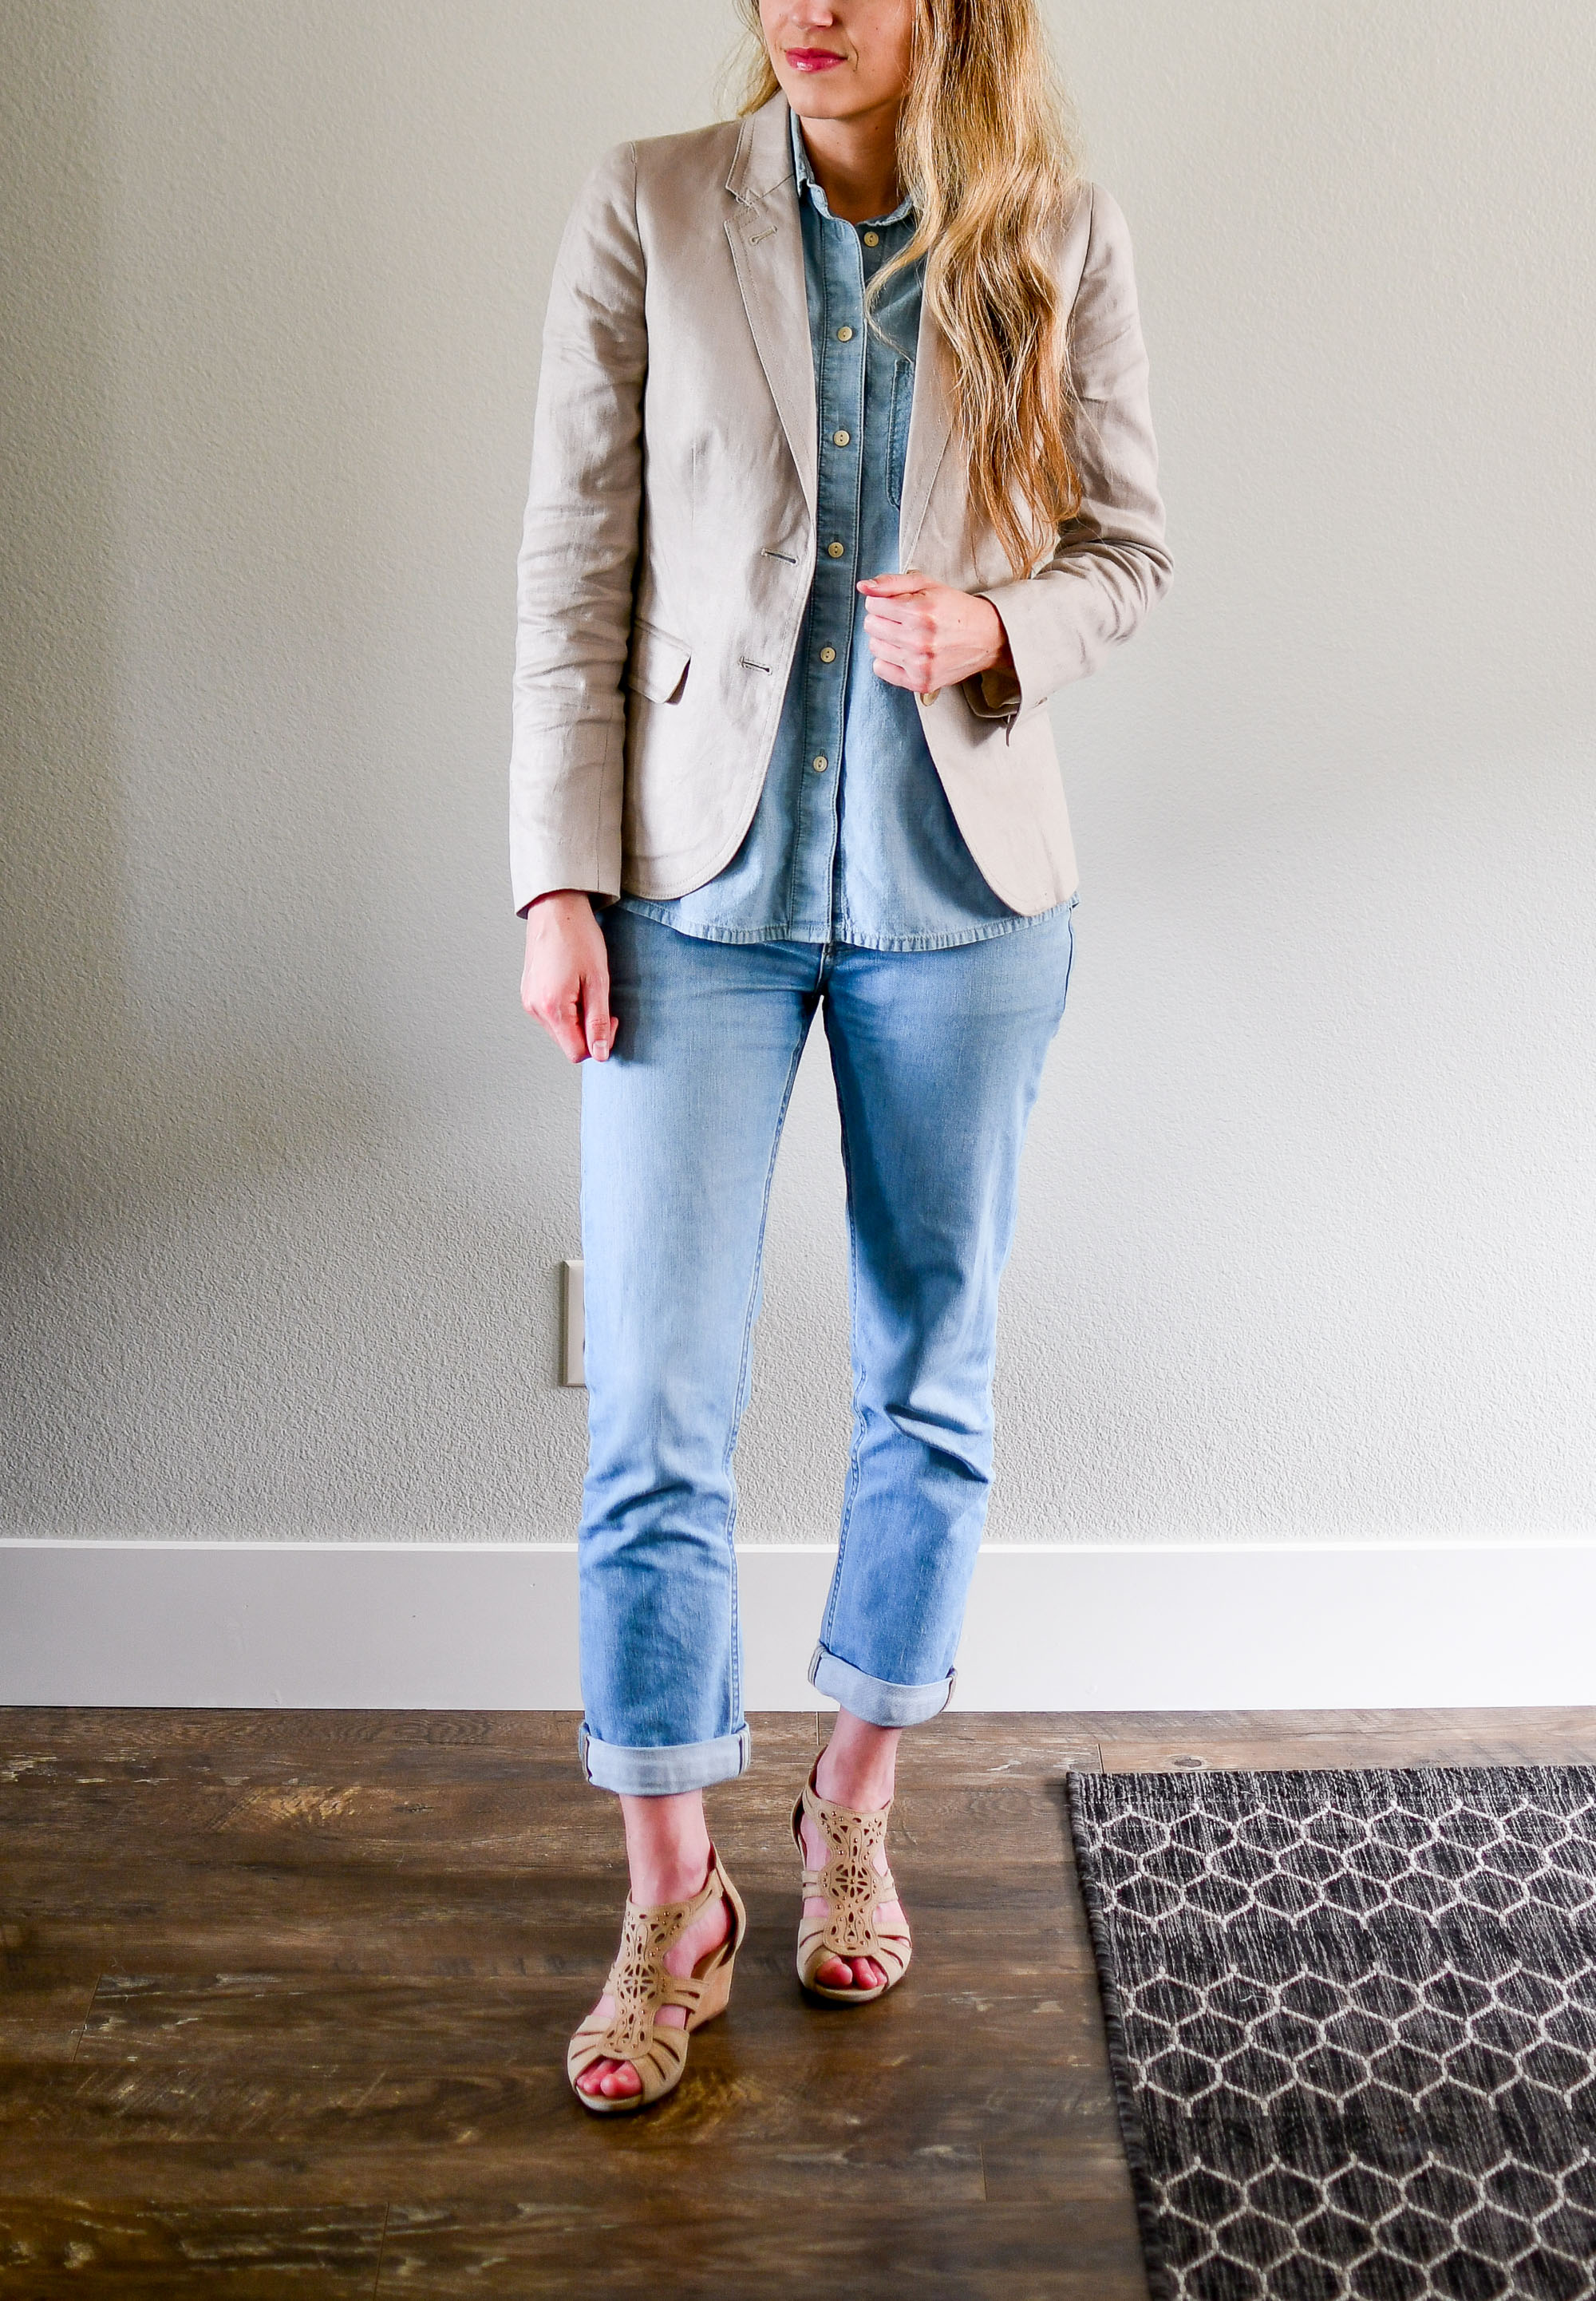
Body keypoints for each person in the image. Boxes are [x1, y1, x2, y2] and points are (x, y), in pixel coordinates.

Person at [512, 0, 1169, 2114]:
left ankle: (857, 1802)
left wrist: (1000, 629)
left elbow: (1127, 555)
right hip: (686, 894)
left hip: (961, 899)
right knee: (654, 1411)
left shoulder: (1052, 232)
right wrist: (553, 881)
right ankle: (671, 1890)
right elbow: (573, 567)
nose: (809, 7)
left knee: (930, 1371)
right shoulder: (651, 207)